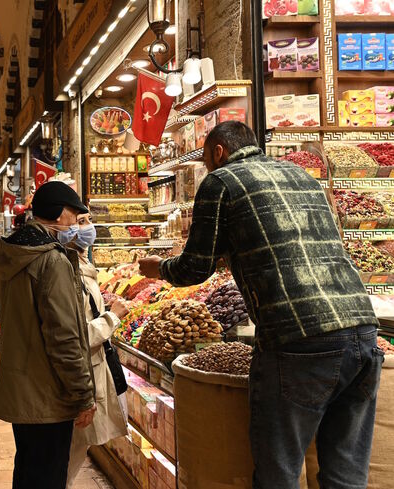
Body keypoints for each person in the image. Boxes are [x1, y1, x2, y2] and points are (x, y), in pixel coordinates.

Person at [138, 121, 382, 489]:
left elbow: (195, 266)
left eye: (206, 160)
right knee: (346, 475)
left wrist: (160, 269)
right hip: (362, 330)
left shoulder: (220, 182)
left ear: (218, 152)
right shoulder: (302, 175)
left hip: (297, 338)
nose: (206, 167)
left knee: (277, 473)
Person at [0, 180, 96, 489]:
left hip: (21, 390)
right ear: (60, 214)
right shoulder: (52, 261)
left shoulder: (11, 256)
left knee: (27, 471)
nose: (77, 225)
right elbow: (63, 337)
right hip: (48, 394)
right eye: (76, 218)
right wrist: (83, 395)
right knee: (47, 476)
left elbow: (1, 309)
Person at [64, 212, 130, 487]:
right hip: (81, 373)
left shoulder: (81, 264)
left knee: (75, 449)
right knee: (71, 450)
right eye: (81, 220)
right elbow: (77, 335)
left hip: (87, 371)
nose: (88, 226)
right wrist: (113, 316)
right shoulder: (69, 271)